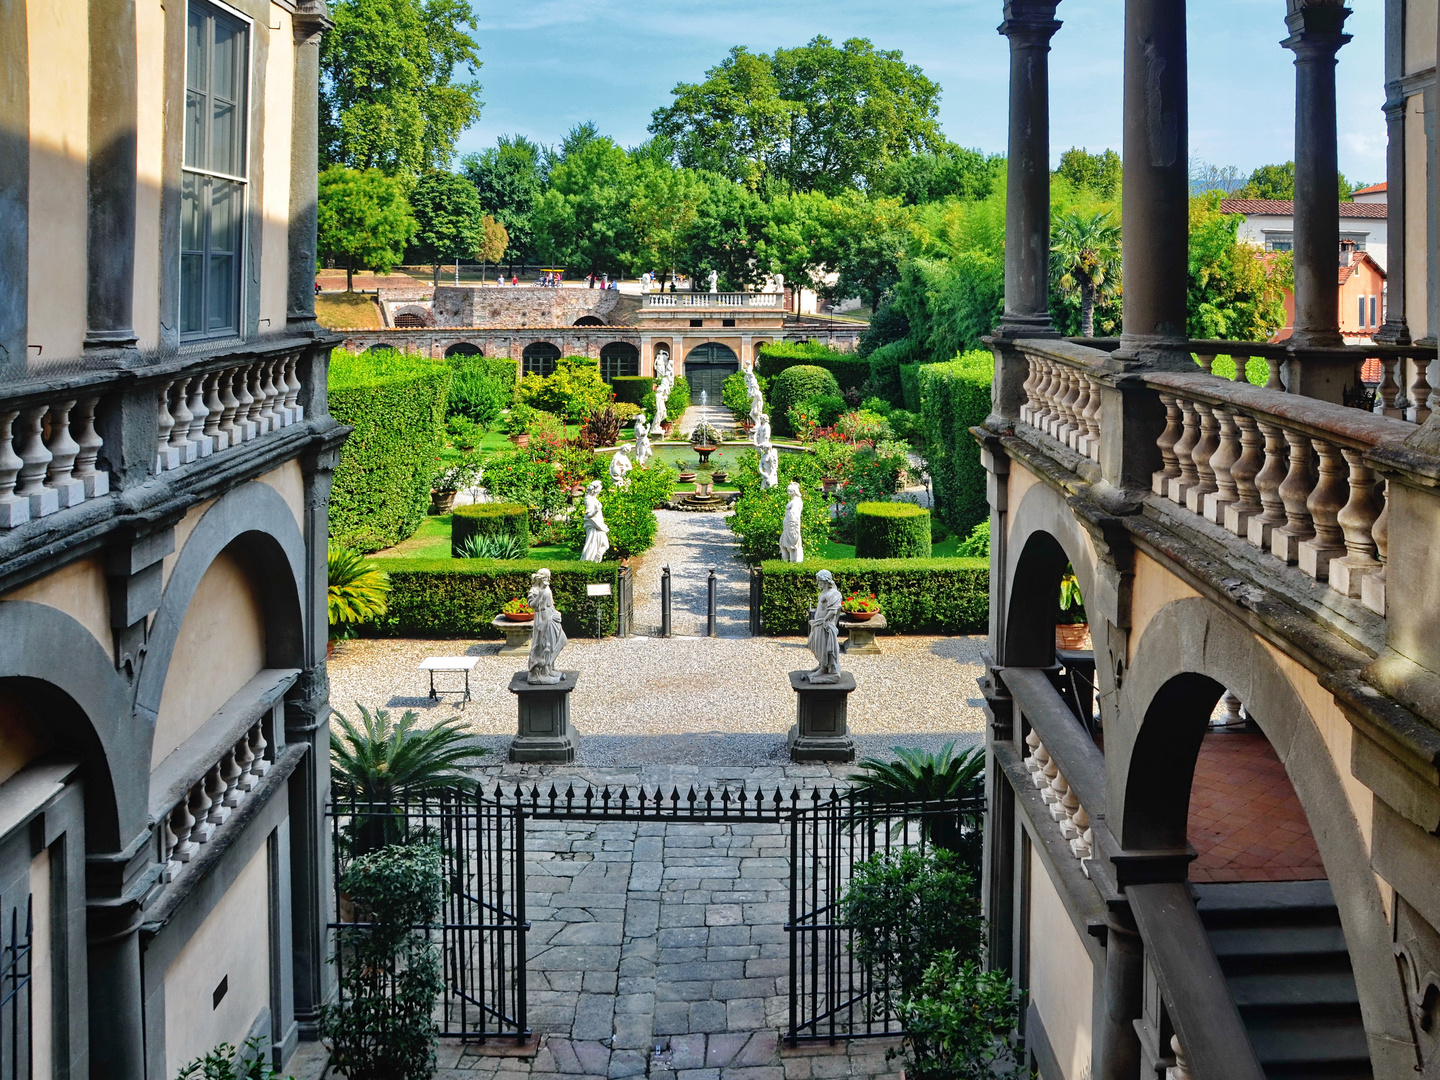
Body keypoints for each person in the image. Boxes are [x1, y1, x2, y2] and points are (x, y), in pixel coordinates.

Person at [526, 569, 568, 684]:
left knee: (561, 639)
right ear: (540, 578)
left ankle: (549, 667)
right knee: (544, 645)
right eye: (546, 578)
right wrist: (540, 593)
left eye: (548, 578)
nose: (548, 580)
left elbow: (550, 603)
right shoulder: (534, 590)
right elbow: (532, 605)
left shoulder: (547, 588)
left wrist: (556, 612)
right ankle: (540, 673)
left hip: (551, 615)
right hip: (542, 618)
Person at [804, 570, 842, 683]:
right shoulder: (824, 592)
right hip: (818, 623)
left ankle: (824, 668)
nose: (818, 583)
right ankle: (821, 664)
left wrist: (825, 620)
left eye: (819, 581)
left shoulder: (833, 594)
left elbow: (833, 611)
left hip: (824, 624)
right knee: (816, 644)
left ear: (826, 581)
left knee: (824, 646)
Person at [581, 480, 610, 562]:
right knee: (593, 546)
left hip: (599, 524)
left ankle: (596, 560)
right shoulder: (588, 500)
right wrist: (597, 510)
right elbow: (588, 514)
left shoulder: (593, 498)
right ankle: (589, 561)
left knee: (604, 545)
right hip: (595, 526)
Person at [779, 481, 802, 557]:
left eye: (790, 491)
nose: (788, 492)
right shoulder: (794, 501)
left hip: (791, 527)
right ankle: (787, 563)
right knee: (783, 545)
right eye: (788, 491)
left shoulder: (796, 502)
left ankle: (792, 562)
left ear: (794, 491)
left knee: (791, 548)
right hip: (787, 526)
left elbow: (793, 515)